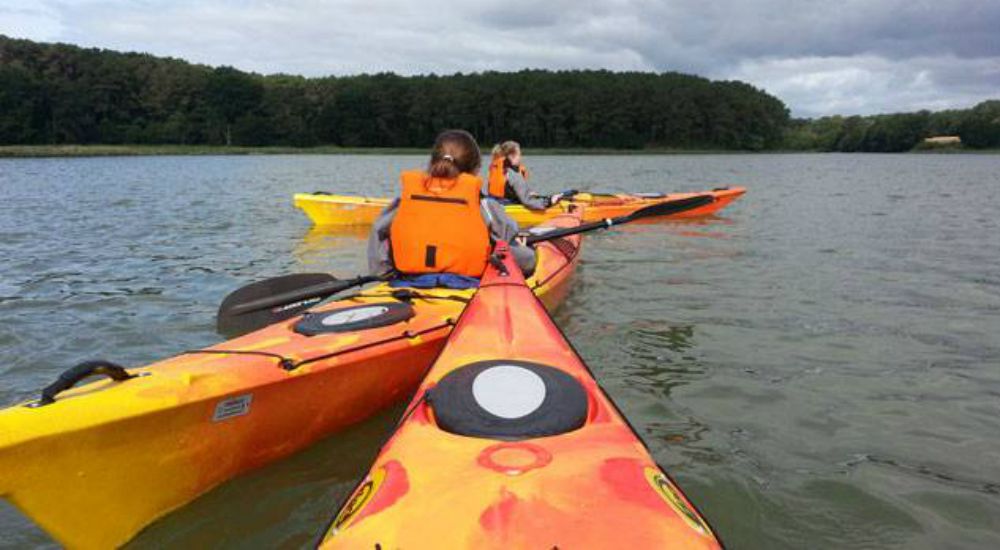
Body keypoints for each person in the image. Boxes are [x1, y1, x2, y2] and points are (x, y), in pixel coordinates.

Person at [368, 130, 536, 282]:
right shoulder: (485, 206)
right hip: (467, 283)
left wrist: (384, 274)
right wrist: (532, 255)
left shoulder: (403, 201)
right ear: (476, 169)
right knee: (529, 257)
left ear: (433, 164)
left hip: (408, 281)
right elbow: (511, 251)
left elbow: (378, 233)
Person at [487, 141, 563, 211]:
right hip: (510, 209)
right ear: (512, 156)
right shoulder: (514, 174)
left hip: (497, 205)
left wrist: (529, 193)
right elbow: (527, 201)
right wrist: (549, 202)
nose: (520, 157)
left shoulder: (499, 169)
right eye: (519, 154)